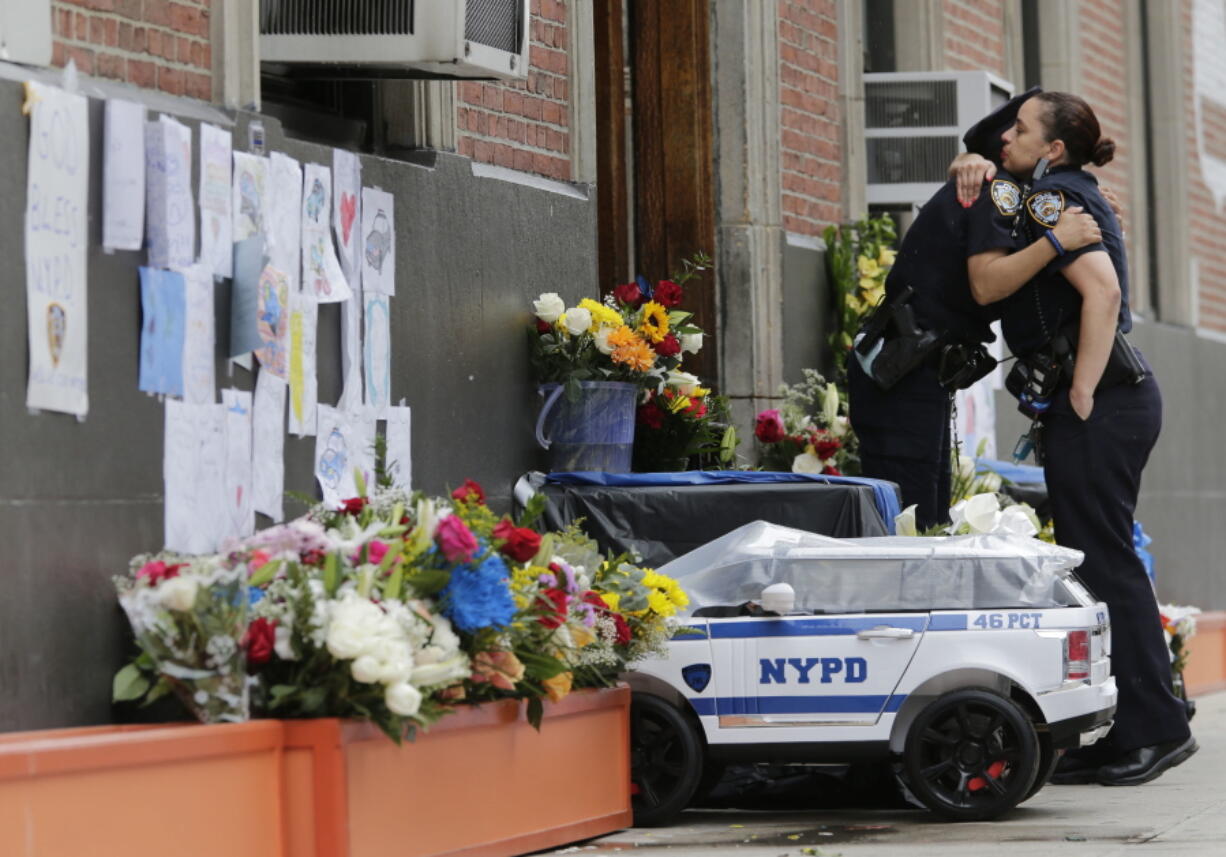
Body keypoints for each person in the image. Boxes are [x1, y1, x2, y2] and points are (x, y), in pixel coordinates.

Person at [966, 91, 1196, 786]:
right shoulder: (1059, 190)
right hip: (1110, 403)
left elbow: (1103, 296)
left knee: (1109, 564)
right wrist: (969, 160)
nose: (1007, 137)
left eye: (1022, 129)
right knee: (1100, 565)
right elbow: (981, 143)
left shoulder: (1047, 201)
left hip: (1106, 403)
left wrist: (1083, 391)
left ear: (1054, 148)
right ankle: (1133, 724)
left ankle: (1156, 730)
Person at [848, 89, 1101, 531]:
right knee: (910, 521)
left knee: (920, 514)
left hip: (914, 368)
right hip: (906, 370)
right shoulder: (997, 190)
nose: (1010, 136)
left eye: (1020, 129)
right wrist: (1058, 240)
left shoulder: (1013, 192)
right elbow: (986, 287)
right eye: (1012, 130)